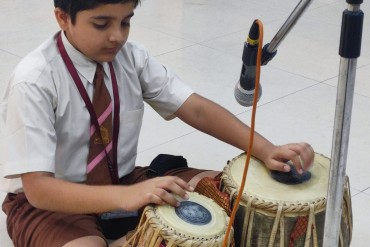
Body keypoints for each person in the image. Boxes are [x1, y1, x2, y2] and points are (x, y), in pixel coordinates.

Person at [0, 0, 314, 246]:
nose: (117, 36)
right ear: (63, 18)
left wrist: (265, 148)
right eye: (101, 24)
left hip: (122, 180)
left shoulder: (131, 57)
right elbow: (39, 189)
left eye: (126, 22)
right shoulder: (35, 80)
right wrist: (126, 198)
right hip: (49, 202)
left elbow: (196, 110)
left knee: (232, 194)